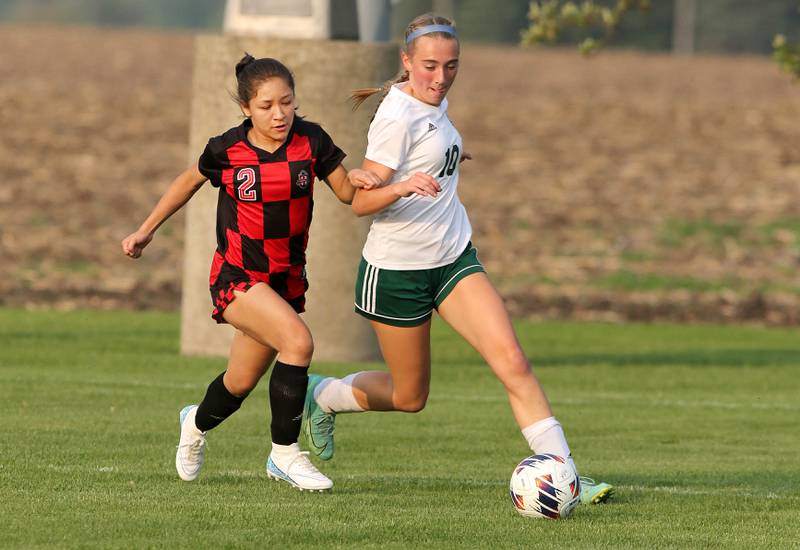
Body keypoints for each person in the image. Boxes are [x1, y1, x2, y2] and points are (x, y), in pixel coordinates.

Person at [301, 14, 614, 504]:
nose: (440, 77)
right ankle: (324, 395)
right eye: (429, 66)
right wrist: (402, 184)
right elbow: (359, 202)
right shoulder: (395, 117)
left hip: (452, 256)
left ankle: (566, 474)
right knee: (410, 398)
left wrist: (448, 160)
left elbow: (431, 149)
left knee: (513, 360)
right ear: (406, 63)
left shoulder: (435, 103)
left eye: (451, 66)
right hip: (397, 273)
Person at [121, 54, 380, 491]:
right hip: (237, 277)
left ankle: (194, 423)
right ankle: (285, 454)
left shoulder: (311, 141)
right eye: (266, 106)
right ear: (246, 108)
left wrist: (373, 175)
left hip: (285, 280)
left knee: (239, 383)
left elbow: (347, 194)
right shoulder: (227, 149)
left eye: (287, 102)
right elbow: (187, 182)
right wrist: (146, 230)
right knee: (298, 342)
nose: (279, 114)